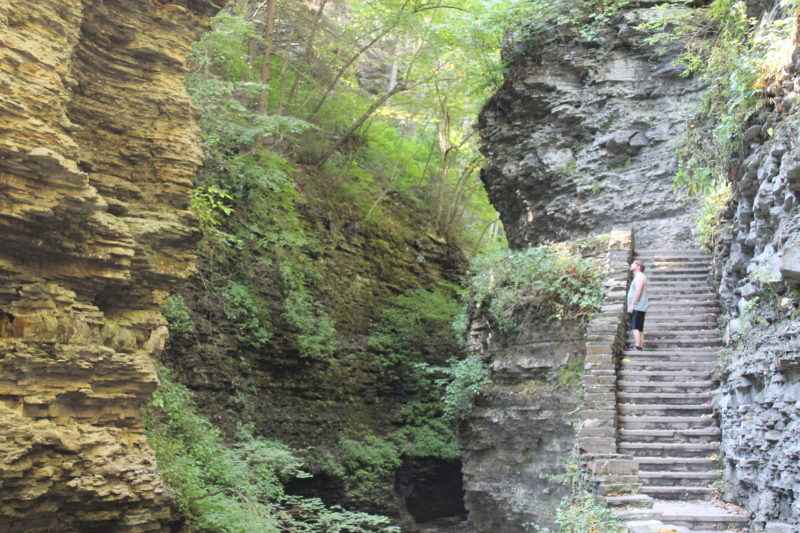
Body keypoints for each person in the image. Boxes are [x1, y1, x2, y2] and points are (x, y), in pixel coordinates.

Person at [627, 259, 648, 351]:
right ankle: (640, 346)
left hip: (637, 306)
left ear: (638, 267)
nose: (631, 265)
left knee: (635, 326)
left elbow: (638, 291)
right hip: (640, 306)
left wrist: (632, 304)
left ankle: (637, 346)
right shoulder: (640, 276)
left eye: (633, 264)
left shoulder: (639, 276)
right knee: (639, 327)